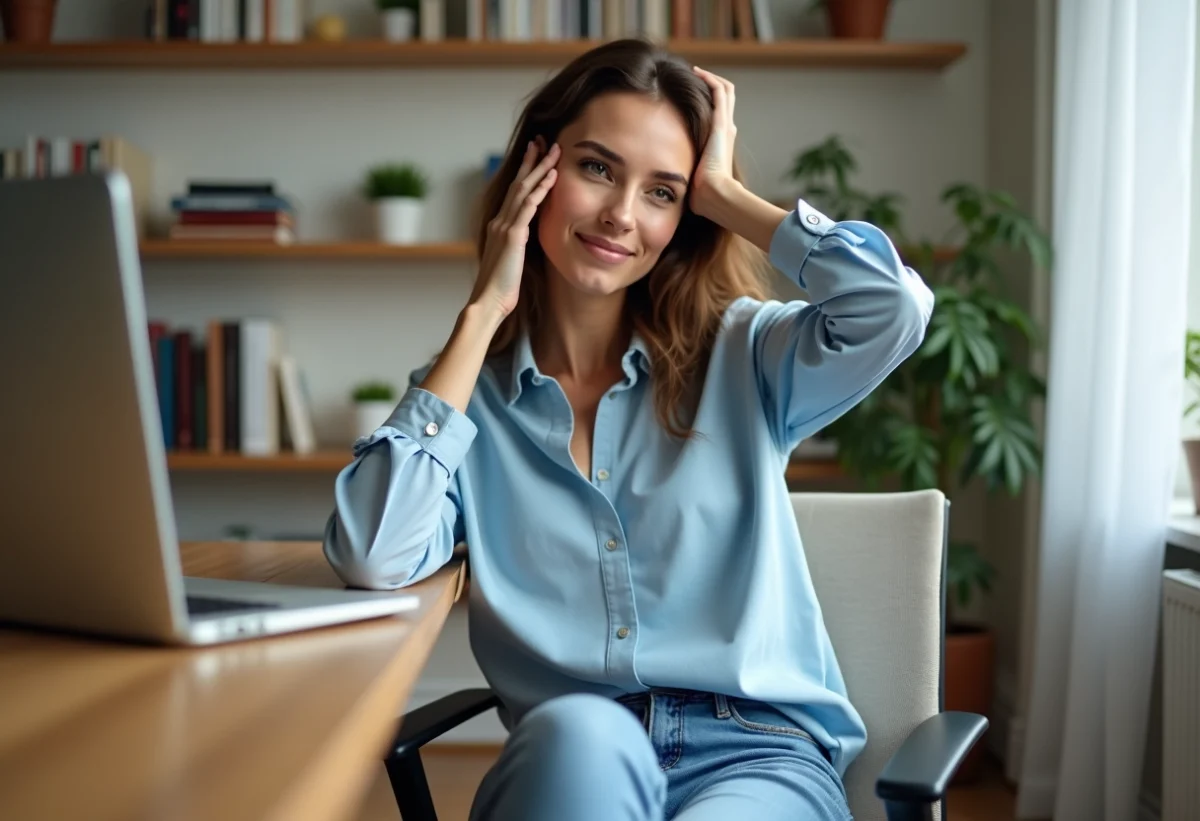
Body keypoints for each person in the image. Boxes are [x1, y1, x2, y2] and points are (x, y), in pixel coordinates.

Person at [323, 37, 933, 821]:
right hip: (576, 757)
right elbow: (374, 552)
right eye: (598, 168)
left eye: (662, 192)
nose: (621, 215)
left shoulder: (744, 354)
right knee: (579, 733)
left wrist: (725, 197)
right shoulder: (462, 405)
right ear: (536, 169)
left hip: (755, 758)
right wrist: (481, 313)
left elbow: (892, 308)